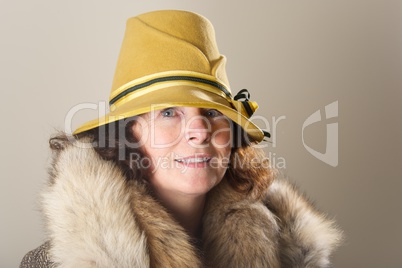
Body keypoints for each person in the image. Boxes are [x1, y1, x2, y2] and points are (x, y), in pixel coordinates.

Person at [20, 10, 342, 267]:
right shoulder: (53, 263)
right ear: (130, 132)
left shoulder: (287, 253)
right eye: (169, 112)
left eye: (214, 113)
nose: (200, 130)